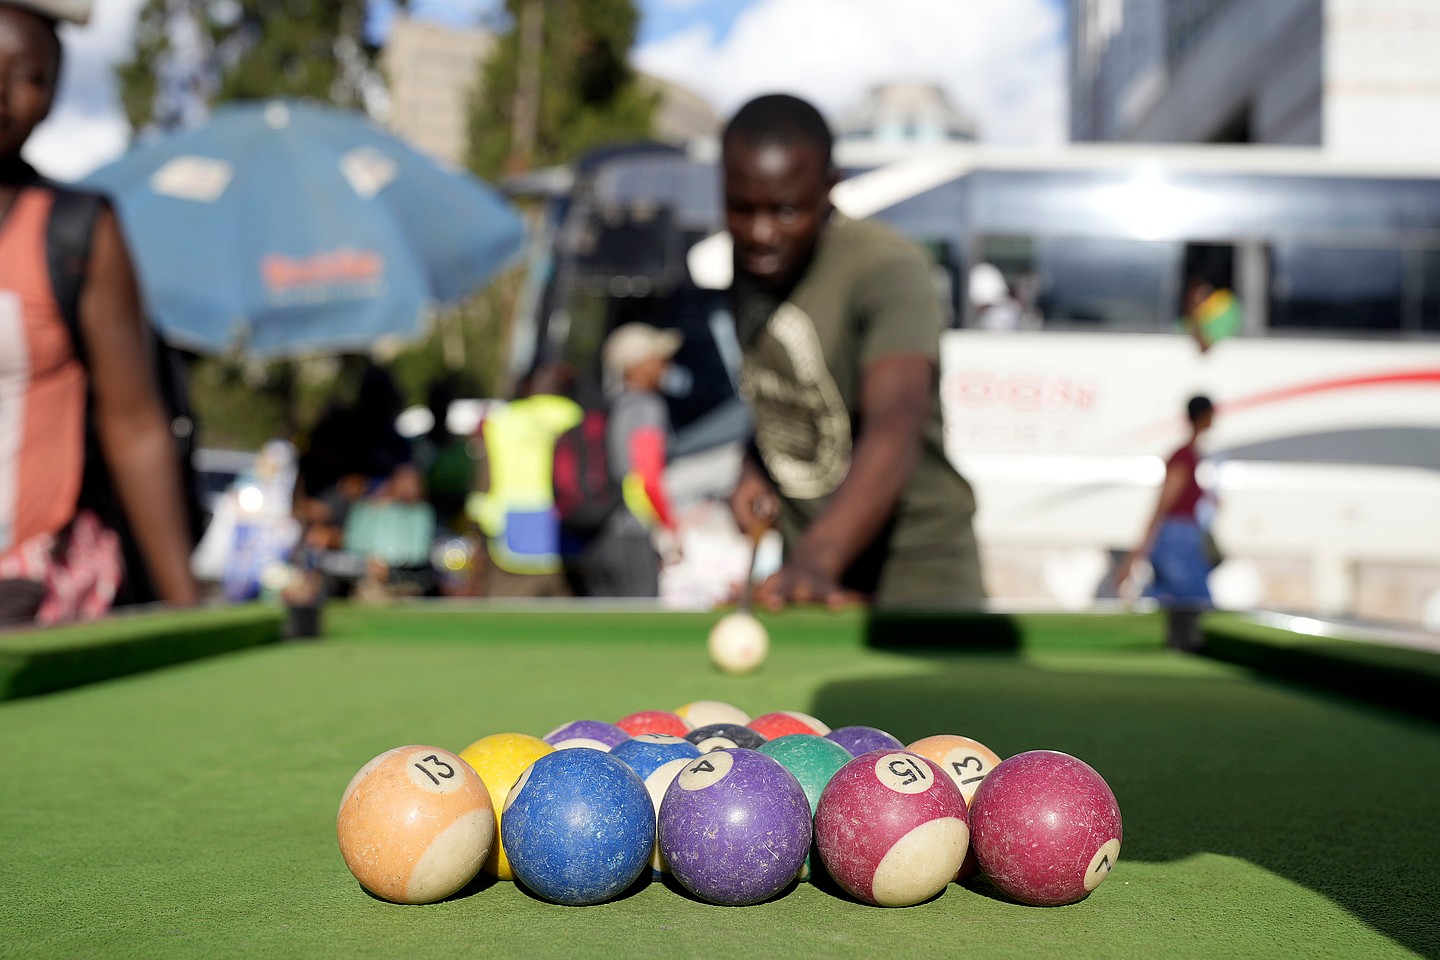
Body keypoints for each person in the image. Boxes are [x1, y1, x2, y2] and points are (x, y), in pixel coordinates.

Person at [721, 93, 985, 609]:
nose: (760, 233)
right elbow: (791, 391)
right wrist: (754, 464)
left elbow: (895, 423)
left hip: (915, 579)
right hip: (810, 573)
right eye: (740, 207)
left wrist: (818, 557)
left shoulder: (888, 269)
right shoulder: (747, 265)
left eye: (786, 210)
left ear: (829, 188)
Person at [0, 0, 198, 625]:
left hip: (27, 588)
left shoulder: (75, 232)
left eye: (28, 76)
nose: (1, 94)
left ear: (53, 96)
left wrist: (187, 613)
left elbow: (135, 425)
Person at [565, 322, 682, 598]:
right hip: (631, 533)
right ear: (637, 366)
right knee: (641, 616)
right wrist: (669, 526)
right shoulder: (646, 407)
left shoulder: (608, 405)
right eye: (659, 359)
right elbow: (647, 476)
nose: (666, 365)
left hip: (597, 535)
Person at [468, 362, 580, 597]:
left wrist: (476, 523)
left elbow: (484, 477)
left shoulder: (504, 419)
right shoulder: (576, 416)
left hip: (511, 523)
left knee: (508, 608)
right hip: (567, 523)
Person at [1115, 395, 1217, 649]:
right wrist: (1135, 556)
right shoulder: (1183, 457)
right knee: (1197, 600)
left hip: (1181, 538)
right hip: (1175, 540)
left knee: (1166, 599)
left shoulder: (1193, 456)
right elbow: (1162, 506)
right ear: (1205, 416)